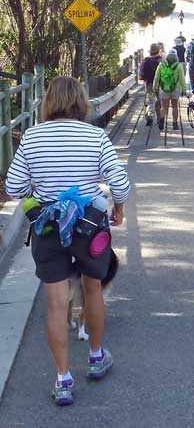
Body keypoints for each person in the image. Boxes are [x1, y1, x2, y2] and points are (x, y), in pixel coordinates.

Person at [5, 76, 130, 406]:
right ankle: (96, 356)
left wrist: (43, 189)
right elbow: (120, 182)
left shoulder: (32, 137)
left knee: (57, 303)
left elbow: (15, 188)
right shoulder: (95, 136)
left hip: (48, 229)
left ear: (49, 101)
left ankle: (62, 380)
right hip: (89, 228)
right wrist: (119, 205)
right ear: (80, 101)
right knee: (92, 290)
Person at [154, 49, 188, 131]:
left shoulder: (161, 65)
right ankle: (175, 124)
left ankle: (162, 121)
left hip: (164, 88)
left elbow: (157, 77)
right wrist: (184, 90)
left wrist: (155, 87)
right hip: (175, 89)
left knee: (164, 107)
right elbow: (182, 79)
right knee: (175, 106)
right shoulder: (178, 66)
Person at [139, 43, 162, 126]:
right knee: (159, 100)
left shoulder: (146, 60)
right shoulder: (160, 60)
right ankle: (159, 118)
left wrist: (144, 79)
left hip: (148, 83)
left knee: (149, 100)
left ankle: (149, 116)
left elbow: (141, 73)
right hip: (159, 84)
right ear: (157, 51)